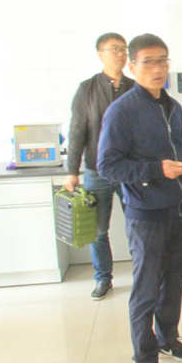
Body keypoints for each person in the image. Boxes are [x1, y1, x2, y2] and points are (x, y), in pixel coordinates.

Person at [97, 33, 182, 363]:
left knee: (174, 282)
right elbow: (107, 166)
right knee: (146, 289)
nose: (158, 68)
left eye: (163, 60)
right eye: (149, 62)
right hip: (146, 215)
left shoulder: (174, 107)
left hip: (179, 210)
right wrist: (156, 170)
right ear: (132, 66)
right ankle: (144, 358)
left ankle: (168, 338)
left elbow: (181, 152)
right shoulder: (122, 111)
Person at [65, 32, 134, 300]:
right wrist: (72, 172)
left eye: (123, 49)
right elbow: (77, 132)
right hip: (97, 170)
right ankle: (103, 278)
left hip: (130, 171)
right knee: (98, 231)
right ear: (100, 54)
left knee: (138, 225)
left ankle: (144, 273)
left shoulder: (135, 87)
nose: (120, 53)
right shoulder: (87, 89)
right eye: (114, 48)